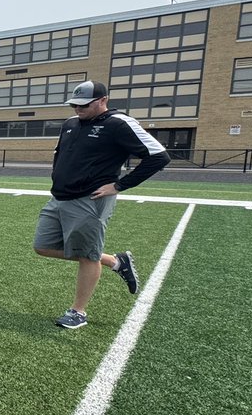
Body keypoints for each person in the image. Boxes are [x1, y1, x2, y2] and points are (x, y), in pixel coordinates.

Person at [33, 80, 170, 329]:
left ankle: (78, 312)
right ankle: (114, 262)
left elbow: (159, 156)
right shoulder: (70, 124)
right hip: (59, 197)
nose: (77, 108)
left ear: (103, 100)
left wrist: (119, 186)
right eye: (74, 104)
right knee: (42, 246)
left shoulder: (118, 123)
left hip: (90, 199)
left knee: (87, 255)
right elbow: (61, 154)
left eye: (84, 104)